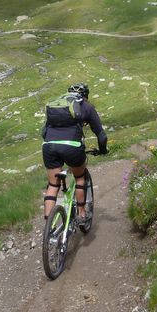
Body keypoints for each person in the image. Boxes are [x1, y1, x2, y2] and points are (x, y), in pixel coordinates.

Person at [42, 83, 108, 223]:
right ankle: (82, 214)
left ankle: (49, 226)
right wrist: (103, 150)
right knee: (79, 178)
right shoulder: (87, 106)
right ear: (86, 95)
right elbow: (101, 136)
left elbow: (44, 132)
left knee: (53, 185)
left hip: (48, 145)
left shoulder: (58, 105)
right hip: (72, 146)